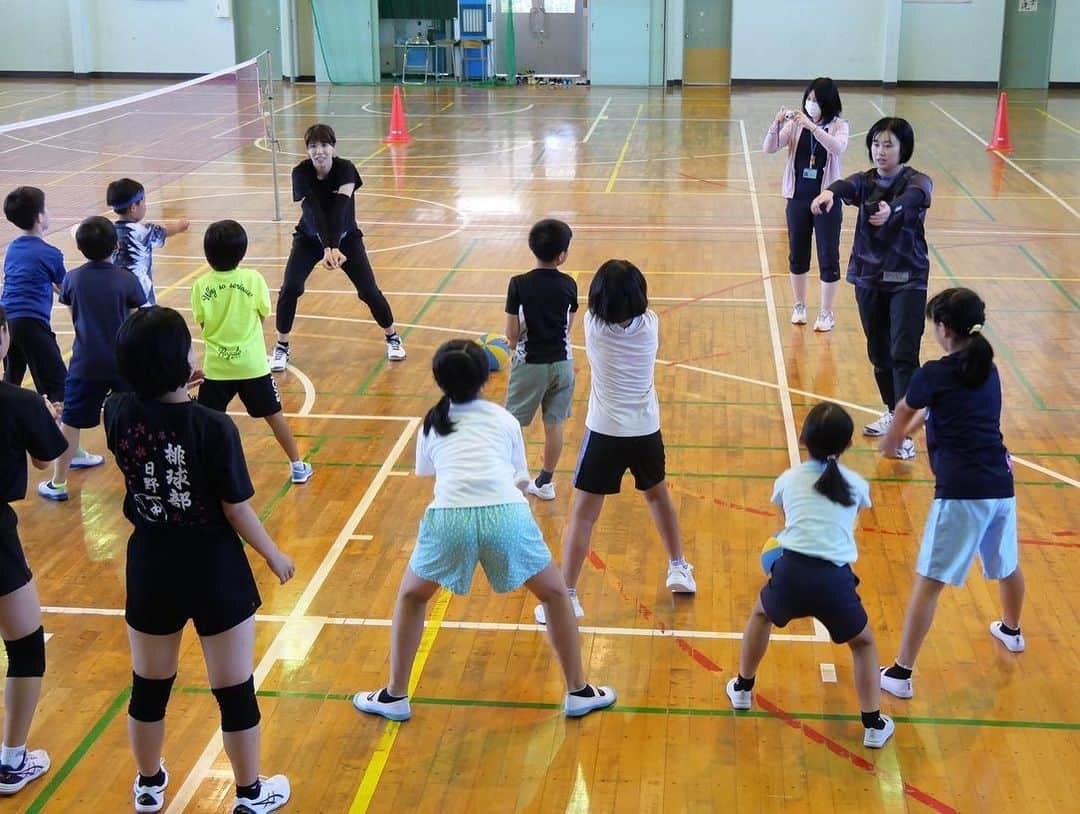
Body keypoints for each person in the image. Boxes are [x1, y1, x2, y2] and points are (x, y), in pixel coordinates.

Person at [352, 339, 615, 721]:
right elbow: (520, 476)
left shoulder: (432, 421)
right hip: (506, 516)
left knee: (411, 597)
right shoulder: (504, 419)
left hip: (450, 519)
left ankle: (394, 696)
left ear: (439, 381)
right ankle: (578, 690)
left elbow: (428, 472)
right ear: (486, 378)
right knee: (556, 594)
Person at [104, 307, 294, 813]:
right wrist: (273, 553)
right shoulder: (213, 426)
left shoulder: (116, 412)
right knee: (234, 691)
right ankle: (251, 793)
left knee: (149, 687)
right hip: (214, 567)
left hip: (150, 563)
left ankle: (148, 786)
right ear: (179, 362)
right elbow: (235, 507)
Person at [878, 288, 1024, 701]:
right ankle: (1012, 631)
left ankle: (901, 673)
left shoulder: (934, 372)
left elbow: (906, 407)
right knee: (1007, 563)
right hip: (1000, 483)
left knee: (928, 581)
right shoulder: (986, 368)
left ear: (944, 328)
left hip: (961, 492)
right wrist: (911, 432)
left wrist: (892, 441)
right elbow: (939, 409)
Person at [534, 260, 695, 626]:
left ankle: (568, 595)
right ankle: (678, 567)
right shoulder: (650, 326)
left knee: (584, 515)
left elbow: (581, 307)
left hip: (604, 434)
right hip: (645, 432)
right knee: (658, 497)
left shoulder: (593, 328)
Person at [725, 402, 894, 749]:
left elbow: (787, 521)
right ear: (848, 445)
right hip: (834, 580)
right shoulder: (857, 485)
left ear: (803, 439)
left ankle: (742, 688)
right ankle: (873, 724)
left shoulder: (788, 479)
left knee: (760, 614)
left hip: (791, 572)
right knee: (863, 643)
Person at [811, 118, 933, 458]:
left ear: (903, 148)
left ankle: (904, 434)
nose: (881, 151)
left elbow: (915, 198)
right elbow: (845, 186)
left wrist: (890, 209)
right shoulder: (864, 182)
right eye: (877, 143)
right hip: (868, 277)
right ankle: (894, 413)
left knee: (903, 354)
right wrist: (828, 193)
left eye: (889, 145)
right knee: (879, 354)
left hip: (907, 279)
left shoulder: (917, 181)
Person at [270, 123, 405, 371]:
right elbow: (317, 211)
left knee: (368, 291)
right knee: (290, 288)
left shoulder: (346, 170)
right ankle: (281, 347)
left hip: (347, 238)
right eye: (313, 146)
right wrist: (327, 248)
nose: (319, 151)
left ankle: (393, 337)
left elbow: (339, 210)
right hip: (309, 239)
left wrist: (334, 246)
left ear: (333, 147)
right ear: (307, 150)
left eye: (324, 145)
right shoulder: (301, 173)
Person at [0, 304, 67, 795]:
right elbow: (48, 459)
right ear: (4, 338)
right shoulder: (17, 402)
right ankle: (10, 761)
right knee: (25, 649)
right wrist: (47, 417)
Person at [191, 220, 313, 485]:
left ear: (207, 253)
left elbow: (203, 323)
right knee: (274, 415)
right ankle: (297, 465)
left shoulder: (200, 285)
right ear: (242, 252)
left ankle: (198, 471)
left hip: (217, 367)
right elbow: (262, 316)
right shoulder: (253, 279)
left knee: (206, 421)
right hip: (252, 365)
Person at [37, 216, 146, 502]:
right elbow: (135, 322)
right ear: (117, 245)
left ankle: (58, 482)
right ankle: (141, 481)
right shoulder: (126, 278)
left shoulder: (72, 278)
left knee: (70, 420)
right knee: (132, 420)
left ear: (80, 247)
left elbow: (75, 315)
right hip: (123, 362)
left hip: (86, 361)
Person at [2, 186, 102, 470]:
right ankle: (68, 452)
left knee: (10, 384)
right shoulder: (50, 253)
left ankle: (10, 438)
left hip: (7, 325)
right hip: (32, 325)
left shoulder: (13, 249)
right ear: (38, 217)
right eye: (46, 209)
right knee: (61, 389)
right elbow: (67, 290)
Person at [763, 77, 849, 332]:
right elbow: (769, 148)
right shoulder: (795, 127)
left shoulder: (839, 126)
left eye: (816, 100)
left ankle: (826, 311)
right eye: (808, 100)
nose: (811, 104)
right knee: (798, 254)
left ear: (828, 103)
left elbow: (837, 148)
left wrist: (812, 127)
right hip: (798, 197)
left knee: (827, 255)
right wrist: (776, 124)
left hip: (826, 200)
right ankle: (799, 305)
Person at [504, 218, 578, 501]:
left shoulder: (518, 284)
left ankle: (513, 478)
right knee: (554, 424)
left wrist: (513, 338)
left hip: (530, 364)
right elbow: (567, 326)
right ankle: (545, 482)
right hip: (562, 363)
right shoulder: (569, 285)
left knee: (512, 424)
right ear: (562, 255)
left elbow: (511, 334)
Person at [106, 178, 189, 306]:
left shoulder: (109, 231)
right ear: (133, 207)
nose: (145, 206)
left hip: (117, 298)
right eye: (143, 202)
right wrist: (180, 225)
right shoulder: (143, 232)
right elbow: (166, 231)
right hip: (142, 299)